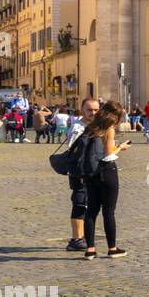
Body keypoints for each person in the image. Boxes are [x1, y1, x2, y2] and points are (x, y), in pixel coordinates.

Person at [77, 101, 129, 260]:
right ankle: (112, 249)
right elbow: (108, 153)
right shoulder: (109, 128)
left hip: (90, 172)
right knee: (108, 212)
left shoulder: (91, 126)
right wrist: (121, 147)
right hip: (106, 171)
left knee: (91, 211)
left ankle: (90, 250)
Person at [61, 98, 98, 253]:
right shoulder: (78, 127)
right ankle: (76, 239)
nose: (93, 113)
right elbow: (74, 152)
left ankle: (84, 236)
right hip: (80, 171)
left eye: (96, 110)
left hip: (93, 171)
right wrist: (81, 172)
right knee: (80, 202)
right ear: (82, 110)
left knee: (89, 203)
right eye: (89, 110)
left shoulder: (95, 126)